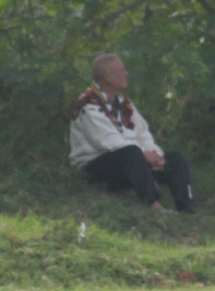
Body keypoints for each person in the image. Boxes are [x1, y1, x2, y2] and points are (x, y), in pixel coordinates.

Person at [69, 55, 197, 213]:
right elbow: (107, 141)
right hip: (96, 167)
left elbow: (142, 133)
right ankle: (153, 206)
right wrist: (144, 155)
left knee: (175, 159)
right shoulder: (87, 104)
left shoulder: (124, 103)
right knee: (131, 152)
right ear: (108, 77)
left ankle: (187, 210)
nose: (126, 73)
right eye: (121, 70)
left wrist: (155, 154)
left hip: (132, 161)